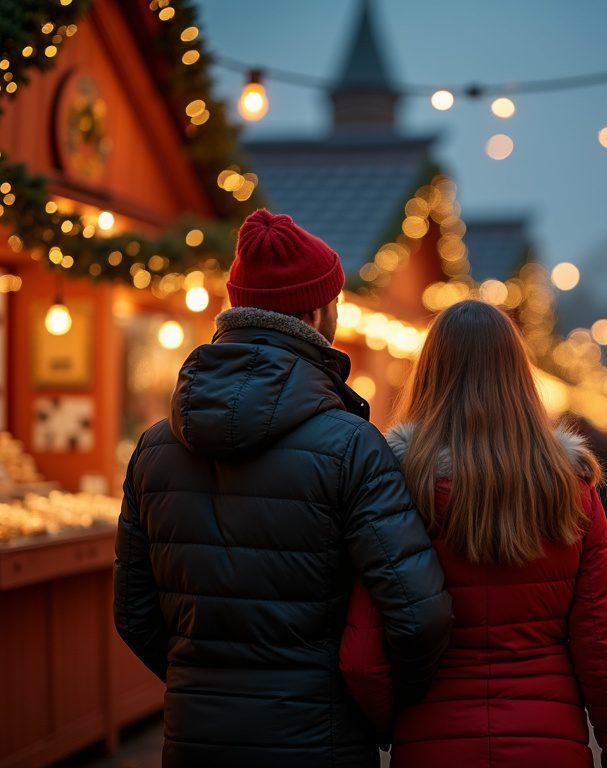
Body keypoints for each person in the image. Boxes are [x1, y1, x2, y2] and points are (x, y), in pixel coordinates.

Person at [113, 210, 453, 767]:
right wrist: (379, 707)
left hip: (196, 740)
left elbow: (134, 615)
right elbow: (419, 615)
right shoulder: (351, 446)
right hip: (321, 739)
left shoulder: (154, 450)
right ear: (318, 312)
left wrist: (202, 686)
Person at [339, 300, 607, 768]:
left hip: (434, 742)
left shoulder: (396, 489)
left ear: (430, 375)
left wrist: (395, 724)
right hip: (549, 744)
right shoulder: (570, 491)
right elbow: (604, 652)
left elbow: (363, 657)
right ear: (520, 379)